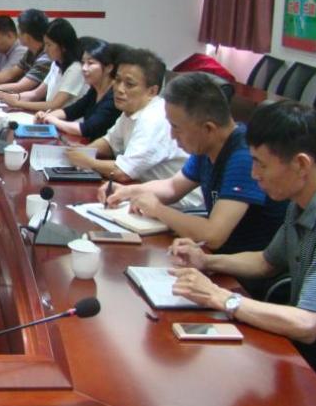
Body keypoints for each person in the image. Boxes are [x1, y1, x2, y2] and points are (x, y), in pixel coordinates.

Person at [169, 101, 316, 393]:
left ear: (301, 164)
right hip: (303, 356)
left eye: (261, 164)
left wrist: (220, 296)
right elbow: (266, 262)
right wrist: (206, 262)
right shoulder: (303, 201)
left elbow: (307, 324)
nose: (254, 174)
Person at [106, 72, 287, 264]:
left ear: (208, 129)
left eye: (176, 127)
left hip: (240, 267)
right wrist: (129, 191)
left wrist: (158, 210)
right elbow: (173, 187)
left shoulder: (243, 157)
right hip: (213, 257)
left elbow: (214, 235)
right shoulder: (208, 146)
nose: (172, 135)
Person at [68, 47, 202, 209]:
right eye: (117, 80)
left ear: (152, 91)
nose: (119, 89)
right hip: (142, 190)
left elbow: (123, 172)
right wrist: (84, 151)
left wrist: (88, 161)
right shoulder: (132, 109)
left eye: (129, 84)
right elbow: (109, 142)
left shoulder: (153, 118)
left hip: (178, 205)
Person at [0, 18, 86, 112]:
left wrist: (16, 103)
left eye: (49, 45)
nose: (45, 50)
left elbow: (54, 104)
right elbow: (35, 94)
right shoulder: (56, 64)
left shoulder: (75, 69)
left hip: (64, 120)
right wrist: (10, 97)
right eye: (45, 44)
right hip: (51, 117)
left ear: (63, 46)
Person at [36, 38, 121, 140]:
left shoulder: (115, 96)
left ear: (109, 68)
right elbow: (72, 111)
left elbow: (86, 129)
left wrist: (53, 120)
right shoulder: (95, 90)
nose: (84, 68)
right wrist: (46, 116)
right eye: (83, 63)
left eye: (90, 63)